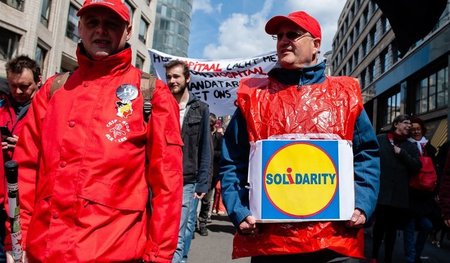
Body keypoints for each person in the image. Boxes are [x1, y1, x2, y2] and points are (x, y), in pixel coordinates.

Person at [5, 0, 183, 262]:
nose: (101, 30)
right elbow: (25, 172)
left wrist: (158, 255)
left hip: (113, 252)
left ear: (128, 31)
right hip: (43, 251)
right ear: (79, 27)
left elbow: (168, 184)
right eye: (92, 22)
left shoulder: (152, 93)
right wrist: (16, 240)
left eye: (111, 24)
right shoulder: (53, 91)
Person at [219, 11, 380, 262]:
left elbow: (366, 154)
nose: (283, 40)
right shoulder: (254, 97)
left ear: (316, 45)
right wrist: (239, 210)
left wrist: (362, 204)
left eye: (292, 34)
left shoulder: (345, 95)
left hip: (334, 240)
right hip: (272, 243)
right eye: (279, 35)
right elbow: (233, 160)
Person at [164, 60, 211, 263]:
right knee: (161, 230)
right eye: (169, 77)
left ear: (187, 78)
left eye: (176, 76)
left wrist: (203, 182)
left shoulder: (200, 109)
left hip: (186, 180)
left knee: (180, 232)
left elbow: (205, 148)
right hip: (161, 179)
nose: (172, 81)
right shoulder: (160, 105)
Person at [0, 55, 41, 263]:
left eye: (24, 87)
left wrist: (27, 146)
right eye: (13, 85)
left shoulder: (48, 112)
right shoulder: (1, 106)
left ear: (38, 81)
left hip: (25, 206)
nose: (17, 92)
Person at [371, 114, 421, 263]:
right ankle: (374, 256)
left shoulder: (410, 146)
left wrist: (402, 154)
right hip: (382, 192)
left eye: (410, 124)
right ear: (396, 124)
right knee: (379, 226)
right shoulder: (381, 140)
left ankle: (387, 258)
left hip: (399, 196)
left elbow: (417, 167)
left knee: (392, 230)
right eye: (406, 123)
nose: (409, 126)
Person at [403, 116, 438, 263]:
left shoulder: (430, 148)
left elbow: (436, 170)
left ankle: (416, 254)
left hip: (426, 195)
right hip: (410, 193)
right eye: (413, 129)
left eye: (418, 129)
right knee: (409, 227)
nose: (416, 131)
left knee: (427, 226)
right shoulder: (406, 146)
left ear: (422, 129)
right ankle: (411, 258)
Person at [197, 113, 224, 236]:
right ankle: (192, 224)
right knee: (194, 201)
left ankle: (202, 223)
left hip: (212, 172)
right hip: (198, 171)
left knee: (207, 200)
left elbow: (222, 153)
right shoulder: (199, 134)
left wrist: (210, 153)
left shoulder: (218, 137)